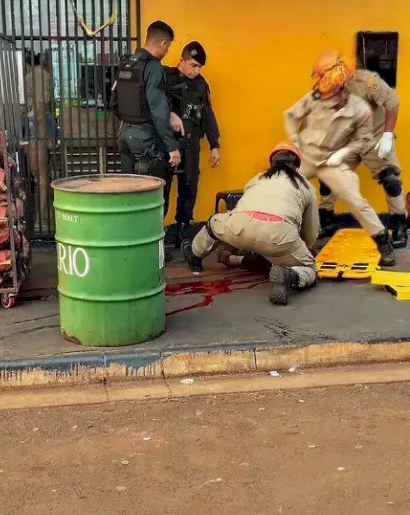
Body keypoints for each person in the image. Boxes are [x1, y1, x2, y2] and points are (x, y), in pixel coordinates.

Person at [284, 49, 396, 267]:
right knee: (285, 185)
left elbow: (363, 140)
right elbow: (293, 115)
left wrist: (343, 154)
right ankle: (288, 240)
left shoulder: (360, 109)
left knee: (355, 200)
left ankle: (383, 243)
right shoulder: (316, 95)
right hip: (309, 155)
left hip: (332, 159)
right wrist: (294, 141)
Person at [182, 142, 319, 305]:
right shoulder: (306, 186)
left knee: (213, 224)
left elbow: (244, 204)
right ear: (297, 164)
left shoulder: (258, 178)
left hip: (239, 227)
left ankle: (195, 256)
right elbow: (310, 231)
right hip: (278, 236)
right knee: (311, 269)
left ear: (272, 162)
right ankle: (289, 276)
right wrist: (302, 248)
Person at [318, 65, 409, 248]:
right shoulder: (322, 89)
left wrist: (388, 134)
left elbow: (392, 102)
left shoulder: (365, 81)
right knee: (328, 176)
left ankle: (399, 224)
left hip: (374, 137)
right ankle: (325, 219)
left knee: (390, 179)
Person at [163, 41, 221, 244]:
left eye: (199, 67)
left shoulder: (201, 84)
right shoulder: (166, 79)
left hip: (191, 145)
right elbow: (153, 107)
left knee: (189, 189)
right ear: (182, 61)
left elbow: (207, 114)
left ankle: (183, 230)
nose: (196, 70)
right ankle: (156, 234)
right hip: (167, 145)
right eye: (193, 65)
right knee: (162, 189)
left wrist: (215, 145)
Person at [111, 20, 181, 180]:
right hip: (145, 139)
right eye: (168, 47)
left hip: (123, 135)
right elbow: (158, 109)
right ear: (163, 43)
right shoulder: (153, 67)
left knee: (128, 189)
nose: (167, 51)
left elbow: (113, 103)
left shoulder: (126, 63)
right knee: (149, 191)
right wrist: (172, 146)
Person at [24, 49, 55, 219]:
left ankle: (41, 214)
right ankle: (43, 211)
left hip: (37, 122)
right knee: (42, 172)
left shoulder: (32, 77)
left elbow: (39, 106)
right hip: (42, 121)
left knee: (39, 173)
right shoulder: (45, 75)